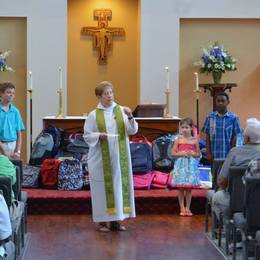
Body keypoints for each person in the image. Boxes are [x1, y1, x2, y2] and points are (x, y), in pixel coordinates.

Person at [83, 81, 138, 232]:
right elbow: (87, 136)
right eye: (106, 93)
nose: (109, 96)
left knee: (118, 187)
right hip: (101, 158)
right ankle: (102, 221)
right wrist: (98, 136)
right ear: (99, 97)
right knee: (102, 189)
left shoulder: (121, 111)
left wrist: (131, 116)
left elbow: (132, 131)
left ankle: (115, 221)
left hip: (120, 157)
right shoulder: (94, 115)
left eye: (111, 92)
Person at [212, 118, 260, 219]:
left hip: (236, 202)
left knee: (217, 196)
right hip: (257, 203)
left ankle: (227, 227)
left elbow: (221, 181)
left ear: (247, 138)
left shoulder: (235, 152)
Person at [171, 118, 201, 216]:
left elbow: (198, 155)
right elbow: (173, 153)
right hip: (181, 167)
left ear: (191, 128)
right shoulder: (178, 139)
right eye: (182, 127)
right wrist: (181, 153)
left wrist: (193, 153)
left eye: (186, 127)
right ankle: (182, 207)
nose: (184, 129)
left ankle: (188, 207)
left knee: (188, 189)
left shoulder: (195, 140)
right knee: (180, 188)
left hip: (190, 167)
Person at [201, 92, 241, 161]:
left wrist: (232, 153)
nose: (220, 103)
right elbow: (207, 135)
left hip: (227, 155)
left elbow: (235, 137)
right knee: (215, 172)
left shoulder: (233, 118)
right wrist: (208, 152)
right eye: (218, 101)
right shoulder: (210, 117)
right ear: (215, 102)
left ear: (228, 102)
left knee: (226, 172)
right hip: (214, 154)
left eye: (223, 101)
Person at [0, 82, 25, 159]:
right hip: (1, 144)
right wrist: (3, 151)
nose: (11, 95)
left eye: (13, 93)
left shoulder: (15, 111)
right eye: (8, 92)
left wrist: (17, 151)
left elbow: (19, 133)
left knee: (13, 169)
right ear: (1, 93)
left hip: (13, 145)